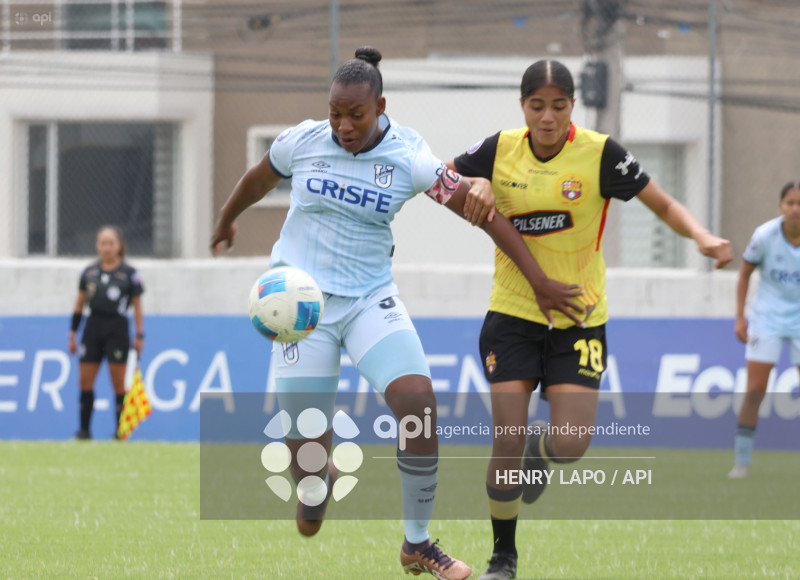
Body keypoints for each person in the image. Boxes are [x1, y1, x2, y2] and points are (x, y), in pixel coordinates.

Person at [210, 47, 584, 580]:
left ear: (380, 105)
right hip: (302, 308)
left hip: (369, 301)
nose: (343, 125)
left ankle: (417, 544)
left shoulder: (410, 157)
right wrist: (227, 220)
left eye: (355, 115)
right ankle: (316, 484)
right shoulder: (304, 141)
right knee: (307, 454)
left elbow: (483, 216)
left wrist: (540, 280)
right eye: (335, 113)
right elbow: (259, 178)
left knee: (418, 403)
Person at [447, 59, 734, 580]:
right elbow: (442, 178)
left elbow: (662, 202)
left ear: (572, 106)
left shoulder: (600, 154)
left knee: (572, 444)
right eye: (538, 106)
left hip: (579, 317)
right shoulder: (500, 148)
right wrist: (478, 186)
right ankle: (502, 556)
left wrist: (700, 236)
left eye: (559, 106)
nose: (548, 118)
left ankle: (543, 449)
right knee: (505, 437)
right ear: (522, 107)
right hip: (512, 314)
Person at [728, 181, 800, 479]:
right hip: (767, 318)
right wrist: (740, 318)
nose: (796, 209)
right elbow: (744, 275)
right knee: (755, 389)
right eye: (790, 203)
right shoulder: (765, 235)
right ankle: (741, 463)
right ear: (781, 206)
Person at [68, 225, 144, 440]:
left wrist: (139, 335)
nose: (107, 247)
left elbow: (138, 307)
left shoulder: (130, 274)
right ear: (97, 246)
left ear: (119, 246)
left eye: (111, 243)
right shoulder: (89, 272)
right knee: (85, 380)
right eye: (103, 243)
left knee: (118, 382)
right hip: (93, 327)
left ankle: (120, 432)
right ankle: (84, 431)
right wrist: (72, 333)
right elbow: (79, 304)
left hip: (117, 328)